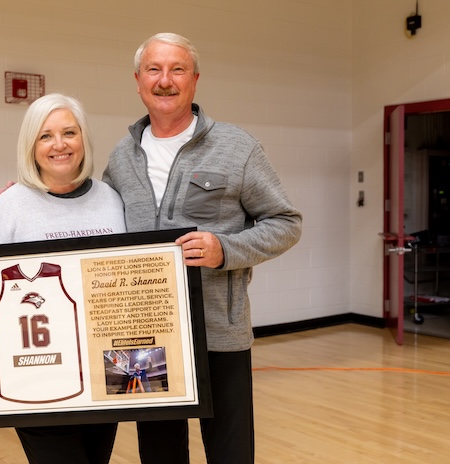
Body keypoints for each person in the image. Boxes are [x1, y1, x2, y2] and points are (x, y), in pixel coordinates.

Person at [102, 33, 303, 463]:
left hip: (219, 331)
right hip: (142, 335)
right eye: (154, 69)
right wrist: (36, 196)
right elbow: (95, 222)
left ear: (195, 80)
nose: (165, 80)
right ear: (138, 80)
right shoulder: (121, 157)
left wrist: (224, 249)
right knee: (158, 451)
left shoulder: (237, 147)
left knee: (230, 450)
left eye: (177, 69)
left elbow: (286, 223)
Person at [0, 93, 126, 464]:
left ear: (84, 139)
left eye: (69, 132)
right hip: (36, 378)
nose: (59, 144)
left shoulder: (111, 200)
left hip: (103, 377)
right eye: (46, 136)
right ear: (31, 145)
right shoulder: (8, 209)